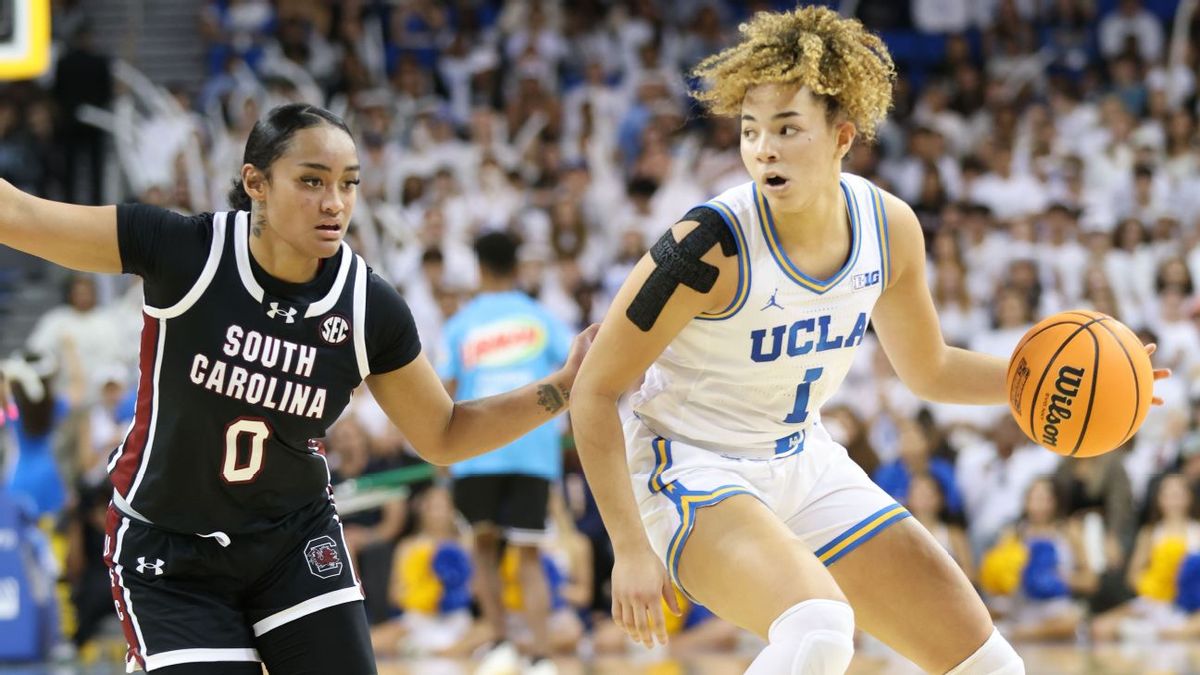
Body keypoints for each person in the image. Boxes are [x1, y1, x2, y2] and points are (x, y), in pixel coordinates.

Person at [570, 7, 1167, 675]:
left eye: (787, 128)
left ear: (841, 136)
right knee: (818, 630)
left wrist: (1057, 383)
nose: (763, 148)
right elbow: (594, 390)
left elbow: (931, 369)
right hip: (688, 464)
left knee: (991, 666)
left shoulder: (888, 227)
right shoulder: (707, 246)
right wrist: (629, 546)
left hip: (803, 457)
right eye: (750, 130)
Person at [0, 102, 596, 674]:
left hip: (293, 541)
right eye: (312, 181)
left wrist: (564, 387)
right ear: (255, 183)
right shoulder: (185, 250)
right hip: (170, 549)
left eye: (348, 183)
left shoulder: (367, 307)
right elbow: (19, 216)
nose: (334, 202)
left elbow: (444, 434)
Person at [436, 231, 574, 675]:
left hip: (476, 451)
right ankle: (542, 656)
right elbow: (577, 369)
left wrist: (440, 454)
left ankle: (499, 644)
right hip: (533, 449)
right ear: (517, 266)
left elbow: (444, 391)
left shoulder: (460, 324)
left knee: (482, 548)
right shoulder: (541, 318)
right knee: (529, 553)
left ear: (478, 268)